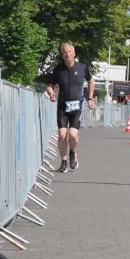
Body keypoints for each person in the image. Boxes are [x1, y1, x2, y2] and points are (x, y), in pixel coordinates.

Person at [45, 42, 94, 172]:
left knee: (72, 134)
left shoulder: (82, 68)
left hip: (76, 106)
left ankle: (72, 152)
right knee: (62, 134)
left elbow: (91, 81)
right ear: (62, 55)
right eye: (64, 52)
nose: (67, 54)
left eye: (69, 52)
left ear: (74, 53)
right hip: (62, 106)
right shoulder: (58, 69)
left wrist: (90, 98)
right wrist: (51, 94)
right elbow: (50, 85)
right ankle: (64, 161)